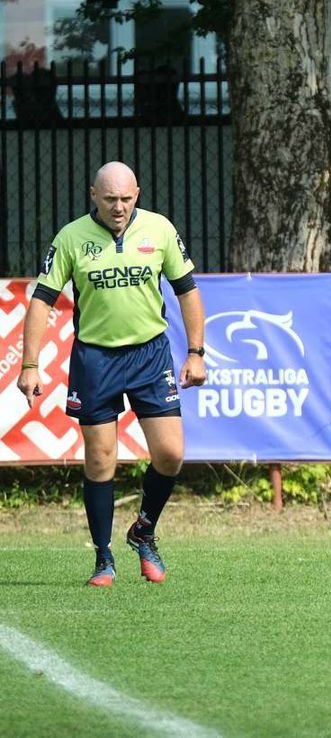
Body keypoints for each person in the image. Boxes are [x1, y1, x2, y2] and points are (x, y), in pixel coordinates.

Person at [16, 162, 206, 587]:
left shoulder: (159, 230)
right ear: (93, 195)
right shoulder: (71, 238)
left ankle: (143, 530)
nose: (118, 207)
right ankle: (103, 558)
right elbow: (42, 300)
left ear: (137, 193)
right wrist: (30, 364)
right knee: (101, 458)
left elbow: (188, 292)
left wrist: (196, 352)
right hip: (96, 359)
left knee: (171, 453)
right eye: (109, 199)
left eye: (126, 198)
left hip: (149, 355)